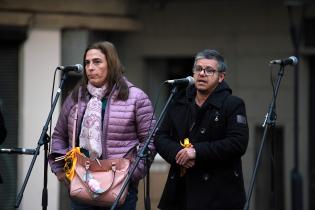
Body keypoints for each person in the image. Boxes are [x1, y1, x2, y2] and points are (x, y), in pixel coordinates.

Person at [49, 41, 156, 210]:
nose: (90, 67)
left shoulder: (136, 97)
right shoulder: (76, 96)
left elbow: (150, 141)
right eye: (87, 63)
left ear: (111, 64)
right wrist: (62, 171)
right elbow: (58, 136)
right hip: (81, 184)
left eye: (97, 61)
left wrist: (131, 174)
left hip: (120, 187)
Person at [155, 49, 249, 210]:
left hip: (219, 194)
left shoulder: (233, 104)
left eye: (209, 70)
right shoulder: (179, 101)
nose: (202, 74)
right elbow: (160, 137)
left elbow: (237, 143)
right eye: (198, 69)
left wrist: (196, 152)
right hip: (181, 190)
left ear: (221, 77)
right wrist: (180, 154)